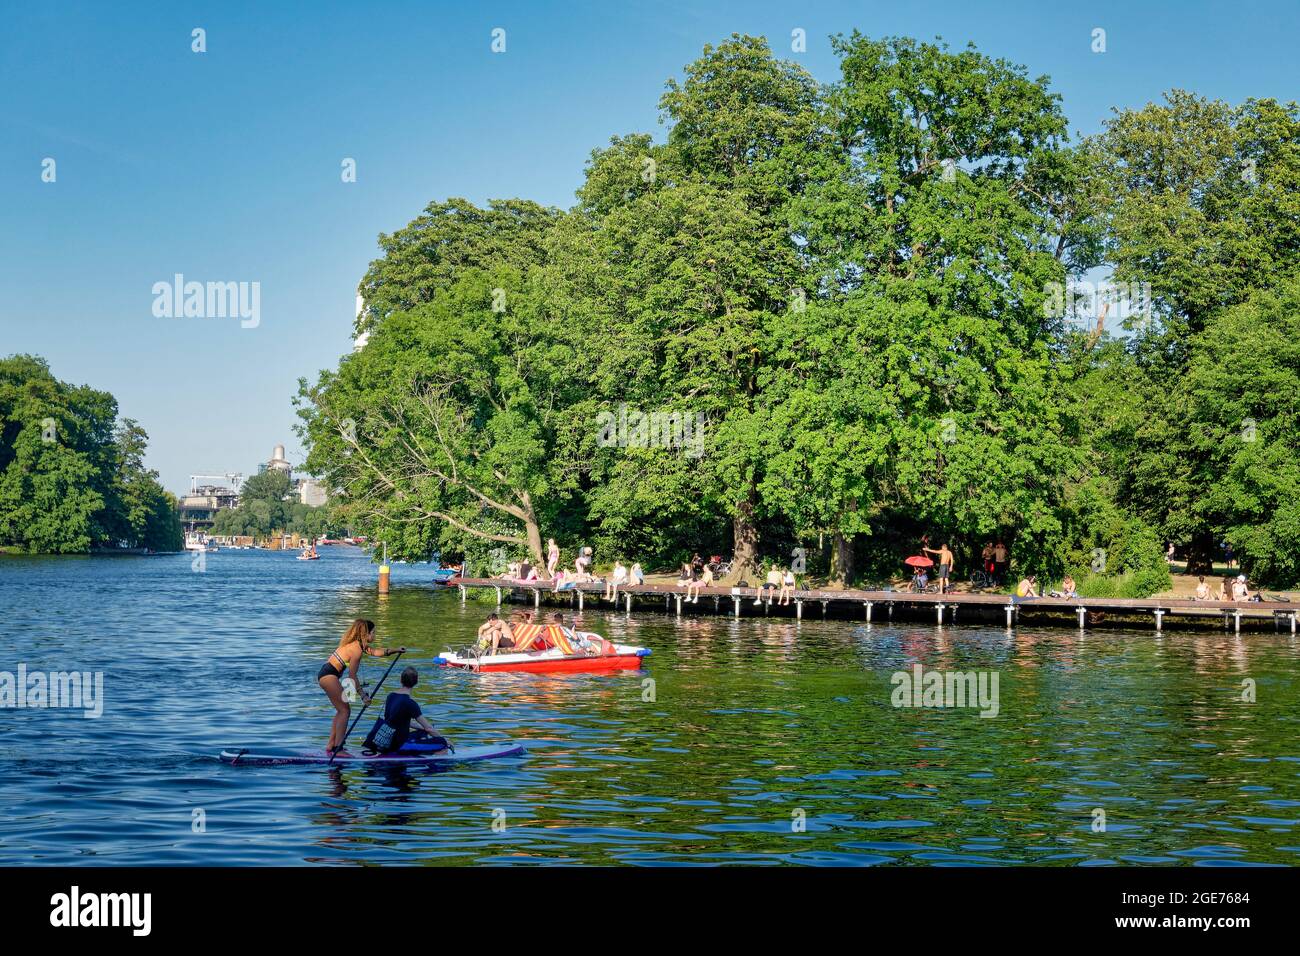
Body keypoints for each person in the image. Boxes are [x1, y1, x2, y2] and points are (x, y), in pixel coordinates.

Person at [317, 619, 403, 755]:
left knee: (341, 711)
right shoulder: (356, 649)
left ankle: (331, 745)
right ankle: (338, 748)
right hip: (329, 676)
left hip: (327, 674)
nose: (375, 635)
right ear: (365, 634)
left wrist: (395, 650)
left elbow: (375, 652)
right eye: (373, 632)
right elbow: (352, 677)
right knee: (345, 711)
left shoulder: (359, 645)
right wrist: (363, 696)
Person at [362, 667, 448, 754]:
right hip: (399, 745)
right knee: (442, 743)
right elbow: (429, 729)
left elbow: (393, 720)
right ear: (416, 682)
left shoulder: (390, 696)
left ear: (401, 680)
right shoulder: (410, 703)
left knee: (423, 731)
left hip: (387, 739)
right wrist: (445, 740)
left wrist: (423, 728)